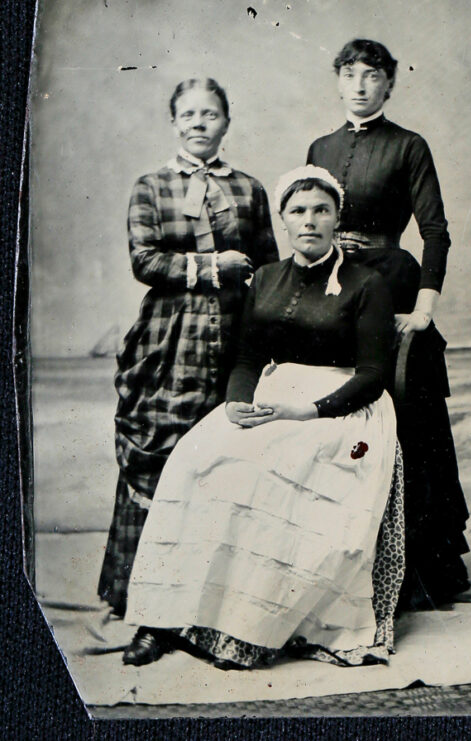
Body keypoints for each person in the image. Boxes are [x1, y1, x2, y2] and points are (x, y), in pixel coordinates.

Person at [121, 167, 405, 669]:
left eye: (322, 210)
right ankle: (164, 617)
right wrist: (234, 405)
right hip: (275, 395)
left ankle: (250, 627)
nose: (310, 221)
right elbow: (249, 358)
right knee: (195, 458)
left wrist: (309, 410)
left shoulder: (368, 283)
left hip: (343, 407)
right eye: (298, 211)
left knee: (272, 470)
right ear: (283, 220)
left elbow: (375, 373)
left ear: (338, 217)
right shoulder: (268, 279)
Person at [98, 77, 279, 617]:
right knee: (159, 452)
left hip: (232, 334)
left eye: (211, 114)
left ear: (227, 121)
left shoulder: (248, 189)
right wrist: (209, 267)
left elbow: (268, 266)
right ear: (173, 122)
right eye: (188, 115)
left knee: (225, 456)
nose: (199, 124)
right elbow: (144, 260)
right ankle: (142, 602)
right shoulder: (151, 186)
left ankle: (212, 604)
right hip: (169, 337)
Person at [307, 39, 470, 609]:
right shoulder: (320, 147)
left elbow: (435, 230)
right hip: (336, 288)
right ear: (337, 82)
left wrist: (426, 304)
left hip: (393, 283)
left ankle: (416, 575)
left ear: (389, 84)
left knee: (405, 420)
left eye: (371, 75)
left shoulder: (409, 146)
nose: (359, 85)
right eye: (349, 74)